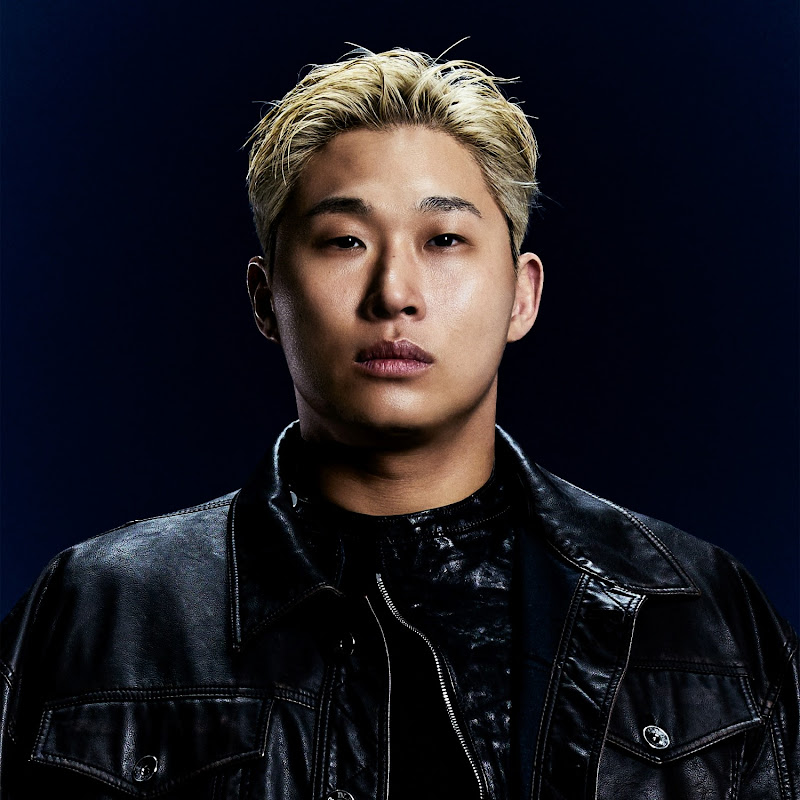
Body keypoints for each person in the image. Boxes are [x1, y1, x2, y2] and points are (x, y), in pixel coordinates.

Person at [1, 47, 797, 800]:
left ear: (522, 295)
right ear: (265, 299)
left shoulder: (700, 610)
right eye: (344, 240)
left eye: (444, 239)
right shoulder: (97, 610)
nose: (394, 293)